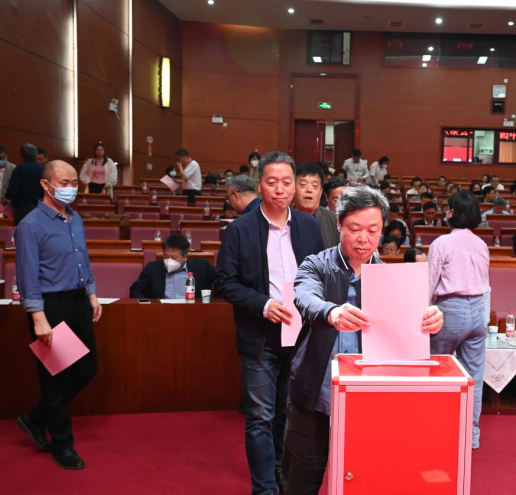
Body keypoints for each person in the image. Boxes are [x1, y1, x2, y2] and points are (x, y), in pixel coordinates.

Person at [282, 185, 442, 493]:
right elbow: (304, 297)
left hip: (369, 397)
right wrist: (331, 312)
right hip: (314, 392)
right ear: (339, 224)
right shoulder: (316, 264)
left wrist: (431, 321)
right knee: (300, 481)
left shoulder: (391, 279)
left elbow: (409, 332)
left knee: (364, 480)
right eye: (354, 229)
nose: (364, 239)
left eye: (373, 230)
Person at [215, 151, 326, 495]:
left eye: (287, 182)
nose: (280, 189)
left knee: (287, 412)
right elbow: (224, 283)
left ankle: (278, 467)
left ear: (294, 186)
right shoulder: (240, 229)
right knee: (260, 416)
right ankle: (264, 487)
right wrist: (262, 304)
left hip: (300, 335)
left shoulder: (309, 226)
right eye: (272, 182)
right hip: (259, 337)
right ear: (260, 184)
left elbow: (320, 275)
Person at [14, 160, 102, 469]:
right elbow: (27, 274)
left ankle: (36, 417)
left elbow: (83, 260)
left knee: (88, 367)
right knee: (56, 377)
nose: (71, 189)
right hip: (52, 307)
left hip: (79, 302)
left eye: (75, 183)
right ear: (46, 184)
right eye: (64, 183)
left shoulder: (74, 218)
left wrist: (92, 295)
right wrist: (38, 317)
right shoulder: (30, 225)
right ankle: (62, 445)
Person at [427, 190, 489, 449]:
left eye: (448, 208)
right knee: (473, 376)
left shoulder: (442, 242)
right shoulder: (481, 243)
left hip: (451, 309)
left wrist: (423, 311)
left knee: (436, 370)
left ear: (453, 212)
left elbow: (429, 283)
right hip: (479, 310)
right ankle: (470, 434)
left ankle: (436, 428)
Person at [129, 234, 216, 299]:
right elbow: (135, 290)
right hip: (162, 312)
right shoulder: (152, 268)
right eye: (166, 256)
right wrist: (148, 306)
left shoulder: (202, 266)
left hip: (193, 311)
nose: (169, 261)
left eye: (174, 257)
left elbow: (220, 280)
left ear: (185, 257)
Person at [294, 163, 340, 249]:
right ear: (293, 189)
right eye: (303, 185)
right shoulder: (284, 219)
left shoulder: (334, 220)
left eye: (314, 186)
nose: (309, 190)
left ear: (321, 191)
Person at [6, 143, 44, 225]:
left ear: (21, 156)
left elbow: (12, 191)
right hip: (41, 208)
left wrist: (7, 197)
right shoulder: (43, 170)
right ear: (36, 155)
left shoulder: (19, 169)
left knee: (22, 231)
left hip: (22, 210)